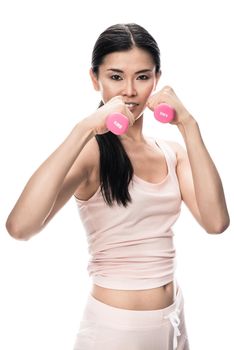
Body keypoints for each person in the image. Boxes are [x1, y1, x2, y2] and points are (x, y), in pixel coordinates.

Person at [6, 23, 229, 350]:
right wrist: (84, 128)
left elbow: (216, 222)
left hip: (174, 320)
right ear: (95, 79)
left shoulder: (171, 152)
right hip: (117, 331)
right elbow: (19, 226)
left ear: (157, 79)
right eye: (115, 77)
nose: (129, 90)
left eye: (142, 76)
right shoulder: (91, 156)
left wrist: (189, 125)